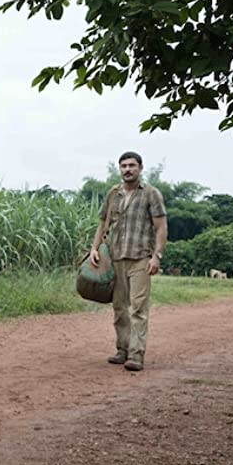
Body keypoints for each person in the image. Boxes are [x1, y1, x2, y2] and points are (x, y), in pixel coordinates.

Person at [88, 152, 167, 371]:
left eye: (132, 165)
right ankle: (122, 350)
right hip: (115, 258)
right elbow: (103, 223)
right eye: (123, 166)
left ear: (140, 168)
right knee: (120, 308)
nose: (127, 169)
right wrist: (94, 249)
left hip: (140, 258)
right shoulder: (113, 194)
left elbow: (161, 227)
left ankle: (136, 354)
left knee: (138, 308)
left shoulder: (151, 194)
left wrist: (157, 256)